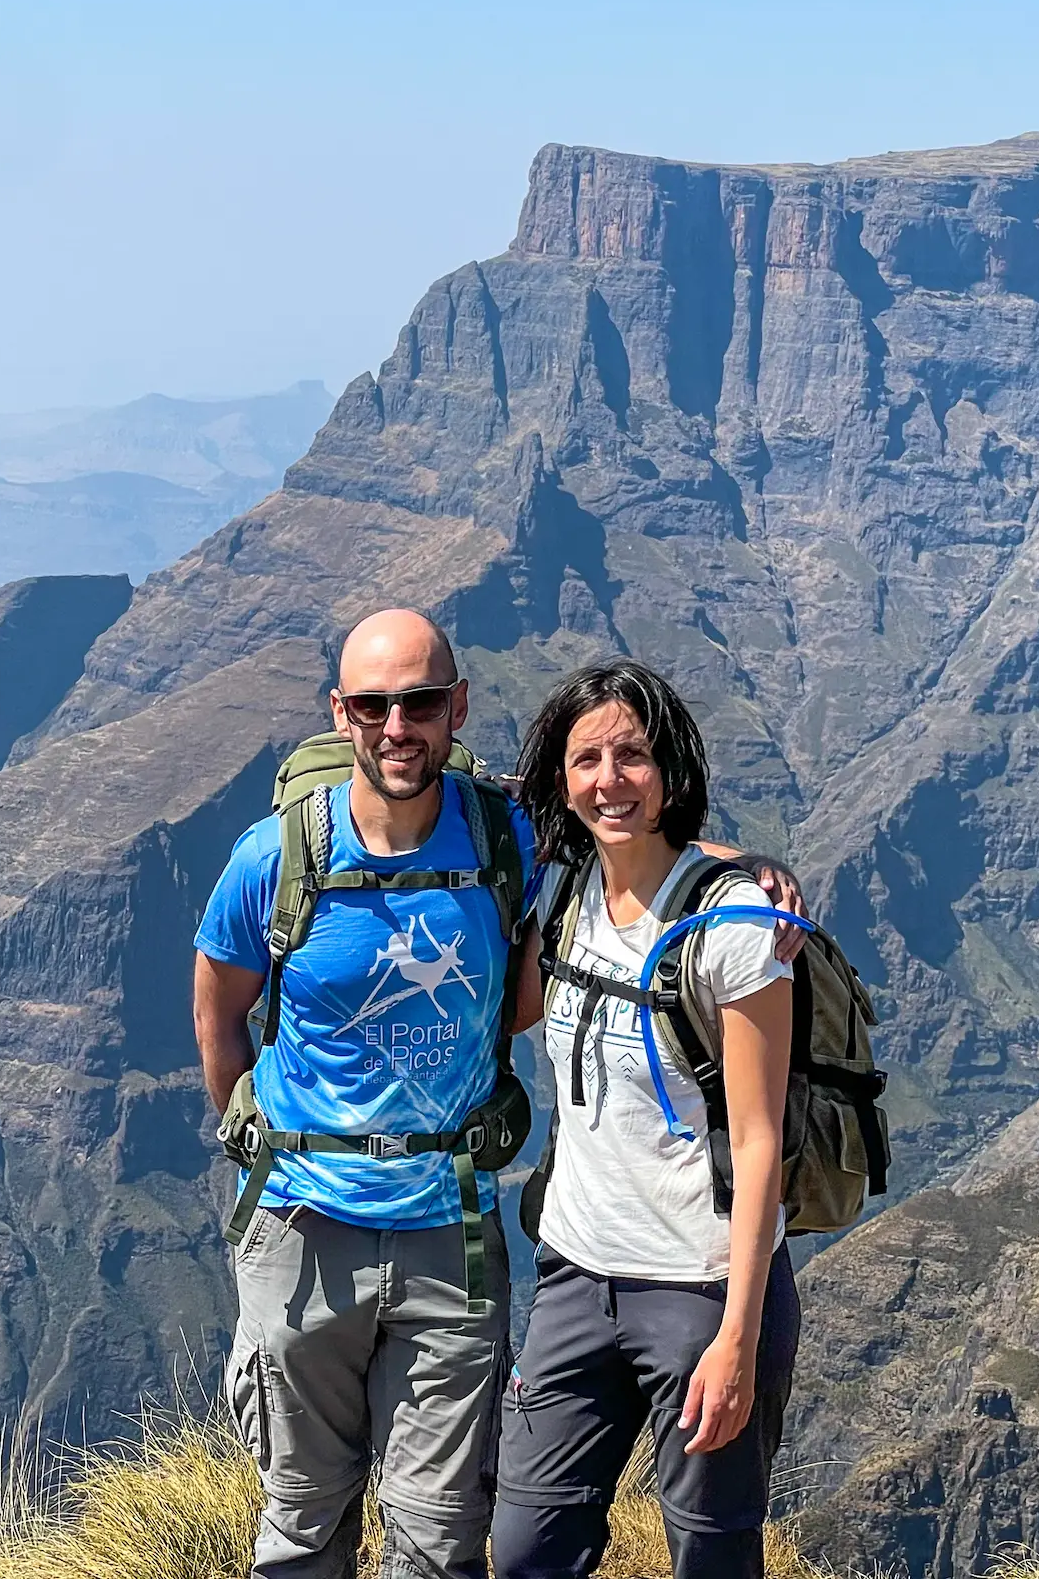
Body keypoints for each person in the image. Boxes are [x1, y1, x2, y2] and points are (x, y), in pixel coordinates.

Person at [192, 614, 800, 1579]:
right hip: (303, 1226)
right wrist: (260, 1153)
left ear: (456, 708)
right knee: (303, 1519)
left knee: (442, 1539)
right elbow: (219, 1016)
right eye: (376, 705)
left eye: (423, 703)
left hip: (454, 1236)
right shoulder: (273, 859)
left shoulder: (503, 837)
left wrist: (749, 868)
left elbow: (623, 823)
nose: (400, 726)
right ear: (341, 714)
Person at [494, 659, 799, 1579]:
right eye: (586, 759)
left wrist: (737, 1341)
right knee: (526, 1551)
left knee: (710, 1558)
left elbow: (759, 1141)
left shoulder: (736, 930)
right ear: (561, 776)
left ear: (671, 770)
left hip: (699, 1293)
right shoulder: (568, 890)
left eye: (633, 756)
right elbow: (515, 1010)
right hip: (574, 1279)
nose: (609, 780)